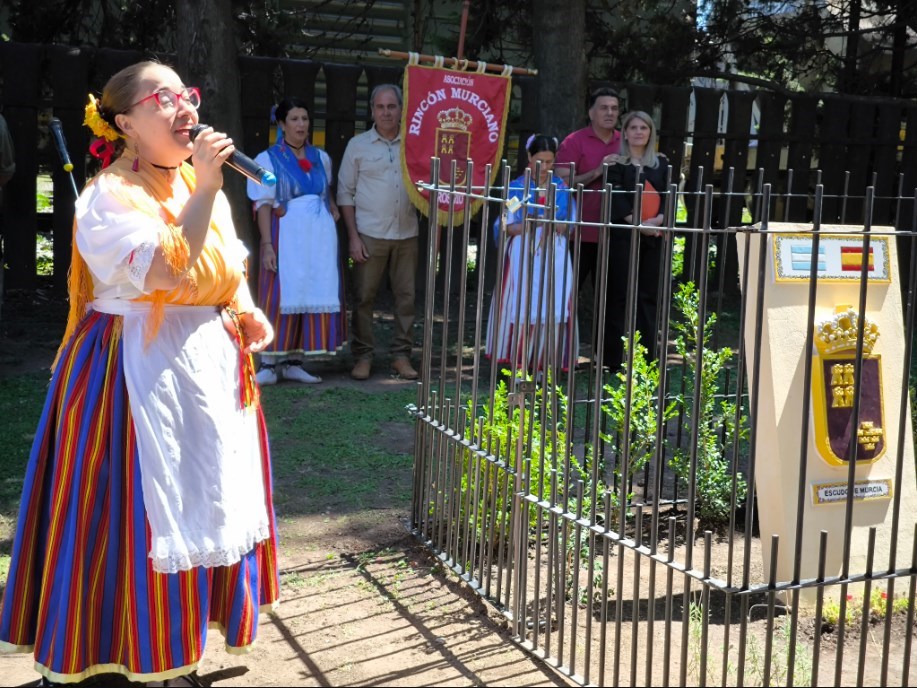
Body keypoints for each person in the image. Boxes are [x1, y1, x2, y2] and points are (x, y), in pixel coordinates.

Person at [0, 61, 280, 685]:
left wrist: (247, 311)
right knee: (128, 512)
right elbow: (162, 273)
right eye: (163, 99)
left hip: (206, 365)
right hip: (128, 374)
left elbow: (223, 265)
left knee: (200, 498)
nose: (183, 107)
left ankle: (175, 645)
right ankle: (105, 647)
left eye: (187, 95)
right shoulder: (107, 196)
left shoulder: (192, 182)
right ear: (126, 122)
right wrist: (207, 187)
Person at [248, 98, 345, 385]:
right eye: (294, 119)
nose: (301, 124)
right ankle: (267, 364)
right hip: (286, 235)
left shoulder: (321, 158)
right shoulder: (267, 159)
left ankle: (294, 362)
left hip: (318, 239)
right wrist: (267, 244)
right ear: (281, 124)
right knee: (279, 292)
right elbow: (263, 203)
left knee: (309, 289)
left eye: (304, 118)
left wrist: (332, 209)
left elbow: (325, 192)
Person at [337, 83, 420, 381]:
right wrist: (353, 237)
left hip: (407, 234)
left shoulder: (414, 144)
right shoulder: (357, 146)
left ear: (401, 109)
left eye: (392, 106)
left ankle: (401, 356)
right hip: (369, 235)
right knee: (363, 298)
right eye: (380, 107)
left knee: (406, 298)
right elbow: (345, 194)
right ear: (372, 110)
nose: (386, 112)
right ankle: (363, 357)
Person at [486, 134, 578, 372]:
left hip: (554, 255)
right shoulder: (517, 189)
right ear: (529, 157)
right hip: (523, 253)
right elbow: (505, 224)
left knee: (553, 304)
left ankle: (545, 364)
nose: (544, 167)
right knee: (521, 304)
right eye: (539, 161)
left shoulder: (562, 189)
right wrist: (530, 221)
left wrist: (556, 222)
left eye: (549, 162)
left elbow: (570, 225)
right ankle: (517, 363)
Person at [602, 110, 670, 368]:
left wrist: (658, 221)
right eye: (634, 128)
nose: (639, 132)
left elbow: (669, 197)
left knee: (647, 297)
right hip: (623, 239)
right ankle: (614, 361)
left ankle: (647, 360)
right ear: (626, 133)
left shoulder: (662, 164)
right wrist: (638, 225)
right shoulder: (615, 164)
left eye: (644, 127)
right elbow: (616, 200)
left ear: (650, 132)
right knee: (618, 296)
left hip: (654, 238)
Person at [554, 87, 622, 294]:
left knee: (612, 298)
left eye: (614, 108)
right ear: (591, 113)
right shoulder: (574, 141)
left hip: (615, 234)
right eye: (603, 108)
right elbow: (561, 183)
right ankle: (563, 328)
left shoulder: (626, 141)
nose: (610, 113)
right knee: (565, 293)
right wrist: (597, 172)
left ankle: (605, 329)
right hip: (578, 232)